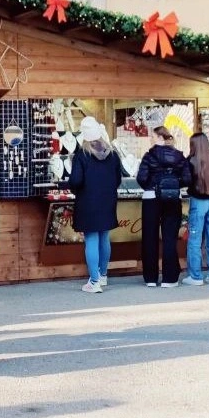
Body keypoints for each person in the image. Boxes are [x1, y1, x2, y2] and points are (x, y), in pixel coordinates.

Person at [69, 116, 124, 293]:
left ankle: (94, 282)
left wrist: (77, 190)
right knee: (104, 237)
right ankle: (103, 275)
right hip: (108, 201)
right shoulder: (113, 153)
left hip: (87, 201)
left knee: (91, 238)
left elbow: (76, 180)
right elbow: (118, 179)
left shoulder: (82, 154)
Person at [136, 127, 191, 288]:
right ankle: (170, 278)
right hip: (173, 199)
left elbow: (141, 178)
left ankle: (151, 278)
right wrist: (173, 186)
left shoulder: (149, 155)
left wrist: (152, 186)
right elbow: (187, 178)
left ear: (160, 137)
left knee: (150, 238)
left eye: (152, 136)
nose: (151, 139)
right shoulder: (179, 156)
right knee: (170, 238)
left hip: (151, 198)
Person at [183, 134, 209, 286]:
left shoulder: (191, 161)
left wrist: (189, 191)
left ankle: (196, 276)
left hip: (198, 202)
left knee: (195, 240)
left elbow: (186, 181)